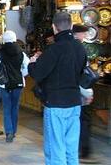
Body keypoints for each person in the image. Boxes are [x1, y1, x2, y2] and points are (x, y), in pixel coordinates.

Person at [29, 12, 87, 165]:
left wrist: (32, 62)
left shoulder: (53, 50)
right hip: (75, 103)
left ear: (54, 27)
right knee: (71, 149)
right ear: (71, 26)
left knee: (56, 150)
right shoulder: (80, 48)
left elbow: (38, 74)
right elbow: (81, 74)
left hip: (56, 104)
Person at [0, 30, 30, 142]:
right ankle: (14, 131)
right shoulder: (21, 53)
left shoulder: (0, 53)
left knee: (7, 108)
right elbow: (28, 66)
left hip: (5, 84)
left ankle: (8, 131)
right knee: (15, 107)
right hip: (18, 83)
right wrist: (21, 74)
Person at [72, 24, 99, 164]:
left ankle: (81, 150)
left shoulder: (70, 47)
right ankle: (84, 151)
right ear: (77, 34)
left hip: (74, 92)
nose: (85, 36)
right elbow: (81, 74)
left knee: (79, 121)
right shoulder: (79, 49)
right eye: (84, 33)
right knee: (83, 121)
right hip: (80, 92)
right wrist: (88, 92)